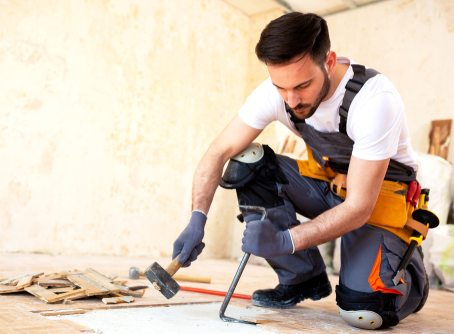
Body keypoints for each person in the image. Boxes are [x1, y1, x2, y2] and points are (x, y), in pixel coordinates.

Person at [171, 12, 427, 330]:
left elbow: (359, 207)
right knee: (245, 162)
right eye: (281, 88)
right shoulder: (279, 92)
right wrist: (198, 218)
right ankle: (301, 277)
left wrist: (284, 241)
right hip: (330, 188)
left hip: (378, 205)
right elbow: (218, 151)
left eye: (303, 86)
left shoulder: (374, 100)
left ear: (329, 61)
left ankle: (413, 281)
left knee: (365, 314)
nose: (292, 100)